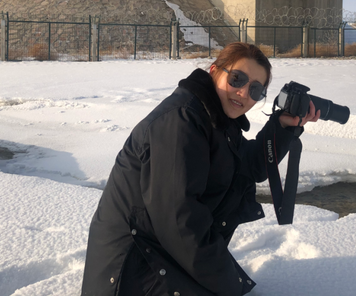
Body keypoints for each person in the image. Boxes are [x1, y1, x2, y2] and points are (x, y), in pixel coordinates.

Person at [81, 42, 319, 296]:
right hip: (131, 269)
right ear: (214, 71)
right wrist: (230, 284)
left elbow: (248, 167)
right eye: (237, 79)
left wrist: (282, 127)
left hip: (163, 253)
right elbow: (179, 221)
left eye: (256, 90)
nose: (243, 93)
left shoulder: (216, 118)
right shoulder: (181, 121)